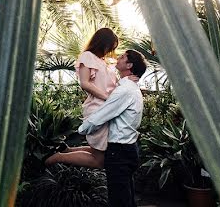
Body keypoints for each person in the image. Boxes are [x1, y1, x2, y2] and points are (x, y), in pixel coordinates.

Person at [78, 49, 147, 207]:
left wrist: (81, 129)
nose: (118, 57)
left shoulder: (124, 90)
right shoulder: (131, 88)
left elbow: (101, 115)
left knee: (119, 200)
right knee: (126, 197)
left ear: (129, 65)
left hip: (119, 152)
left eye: (122, 57)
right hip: (127, 149)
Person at [45, 28, 119, 168]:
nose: (110, 50)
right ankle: (59, 157)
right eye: (110, 46)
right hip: (97, 108)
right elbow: (84, 83)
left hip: (106, 109)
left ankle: (66, 151)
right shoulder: (87, 57)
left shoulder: (102, 61)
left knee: (99, 149)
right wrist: (107, 98)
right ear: (102, 42)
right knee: (100, 160)